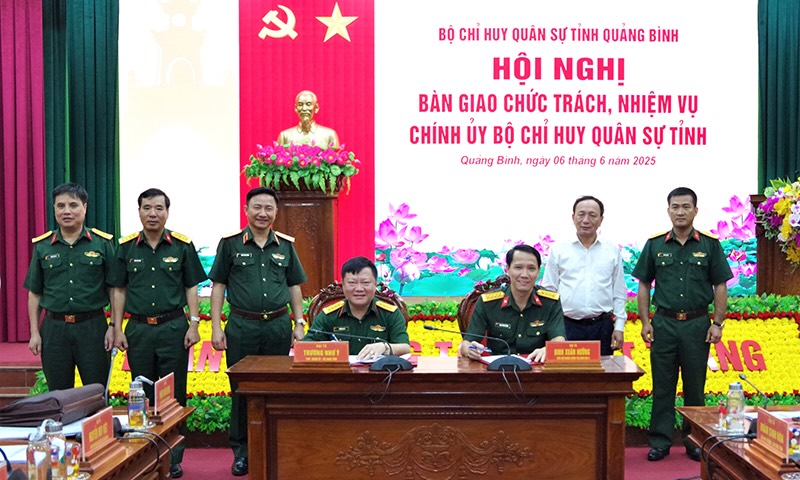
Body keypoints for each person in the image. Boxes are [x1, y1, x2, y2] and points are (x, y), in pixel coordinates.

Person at [208, 186, 307, 476]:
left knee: (276, 388)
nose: (262, 213)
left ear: (276, 212)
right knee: (241, 390)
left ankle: (275, 445)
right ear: (246, 210)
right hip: (242, 326)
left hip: (278, 325)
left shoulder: (286, 246)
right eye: (257, 207)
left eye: (269, 208)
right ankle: (242, 452)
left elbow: (294, 287)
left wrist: (299, 322)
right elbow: (218, 287)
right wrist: (216, 327)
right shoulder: (230, 244)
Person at [110, 188, 207, 479]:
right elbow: (118, 289)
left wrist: (193, 323)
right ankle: (147, 453)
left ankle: (173, 456)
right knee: (142, 393)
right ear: (138, 211)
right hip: (138, 329)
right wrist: (116, 328)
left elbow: (192, 286)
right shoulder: (126, 247)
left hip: (173, 328)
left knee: (173, 395)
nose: (153, 214)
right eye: (147, 208)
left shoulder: (181, 245)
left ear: (167, 212)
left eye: (159, 209)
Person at [632, 187, 732, 462]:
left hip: (697, 325)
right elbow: (643, 284)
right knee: (663, 385)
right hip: (663, 324)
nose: (680, 212)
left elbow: (720, 285)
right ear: (668, 211)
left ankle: (694, 441)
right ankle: (660, 442)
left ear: (695, 211)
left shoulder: (710, 245)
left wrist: (718, 323)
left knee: (694, 386)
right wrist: (645, 322)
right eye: (675, 206)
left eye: (686, 206)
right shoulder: (655, 245)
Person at [24, 183, 115, 391]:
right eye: (60, 206)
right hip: (54, 329)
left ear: (85, 207)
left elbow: (115, 288)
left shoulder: (102, 243)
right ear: (54, 209)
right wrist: (34, 332)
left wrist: (114, 327)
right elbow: (35, 292)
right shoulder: (43, 246)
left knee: (96, 392)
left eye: (73, 205)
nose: (66, 211)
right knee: (58, 394)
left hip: (93, 327)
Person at [541, 195, 627, 355]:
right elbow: (549, 291)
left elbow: (619, 293)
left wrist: (620, 327)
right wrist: (551, 328)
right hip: (566, 327)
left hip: (602, 327)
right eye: (581, 214)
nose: (586, 220)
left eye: (592, 215)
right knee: (567, 377)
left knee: (602, 377)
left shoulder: (612, 251)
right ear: (573, 217)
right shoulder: (559, 250)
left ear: (601, 220)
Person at [459, 244, 566, 364]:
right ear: (508, 269)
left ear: (538, 271)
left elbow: (559, 339)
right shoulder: (488, 303)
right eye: (518, 267)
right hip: (498, 372)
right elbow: (466, 343)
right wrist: (469, 349)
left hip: (537, 371)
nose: (525, 275)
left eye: (531, 268)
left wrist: (549, 350)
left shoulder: (550, 302)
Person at [303, 256, 411, 359]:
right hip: (340, 375)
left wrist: (385, 347)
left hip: (380, 375)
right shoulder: (329, 315)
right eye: (352, 283)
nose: (359, 289)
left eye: (365, 283)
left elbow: (405, 348)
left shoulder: (390, 313)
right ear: (343, 286)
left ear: (375, 285)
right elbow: (304, 347)